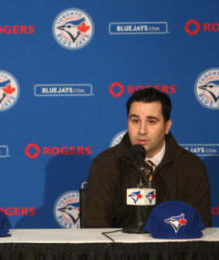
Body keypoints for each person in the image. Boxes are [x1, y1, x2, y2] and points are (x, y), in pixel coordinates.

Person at [83, 88, 211, 228]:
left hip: (175, 249)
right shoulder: (105, 165)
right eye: (135, 121)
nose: (142, 130)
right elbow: (95, 229)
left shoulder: (191, 167)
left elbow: (199, 228)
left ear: (167, 126)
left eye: (151, 121)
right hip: (117, 249)